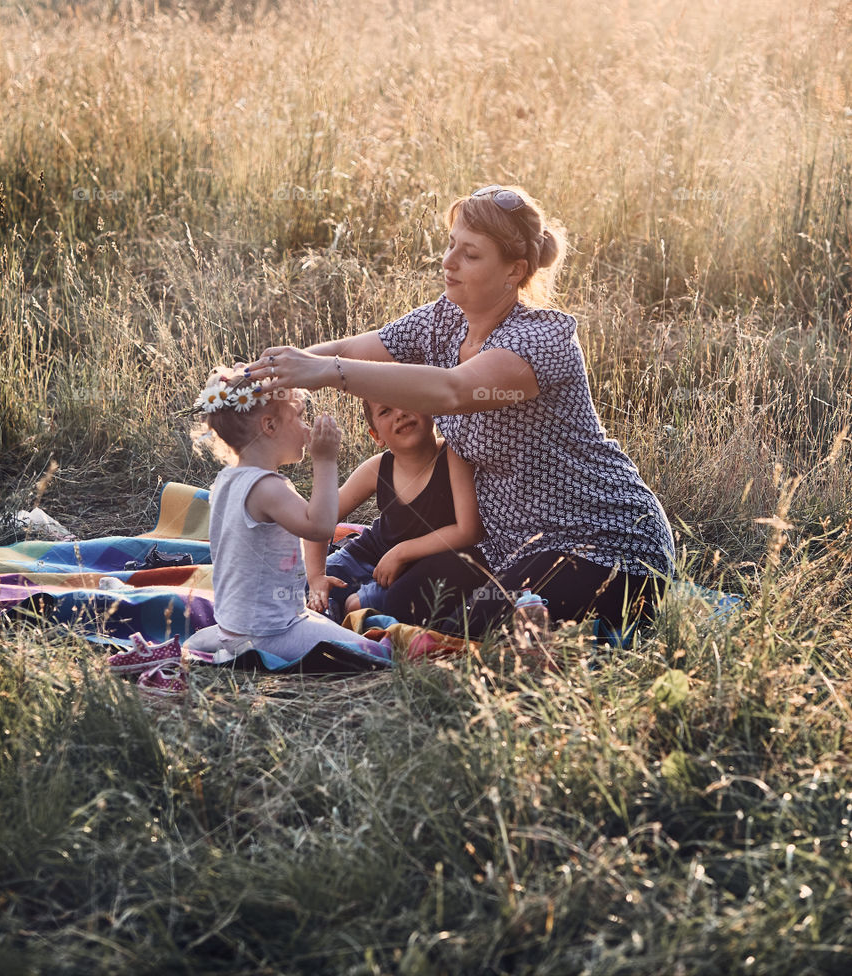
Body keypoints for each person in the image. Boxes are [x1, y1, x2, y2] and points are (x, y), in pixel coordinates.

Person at [240, 185, 676, 635]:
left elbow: (451, 391)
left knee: (474, 625)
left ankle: (541, 631)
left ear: (514, 271)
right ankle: (525, 620)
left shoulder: (542, 341)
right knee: (406, 601)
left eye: (470, 254)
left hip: (601, 542)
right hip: (501, 545)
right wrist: (264, 377)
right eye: (451, 245)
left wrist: (323, 370)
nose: (448, 262)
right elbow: (355, 348)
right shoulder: (443, 319)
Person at [183, 367, 390, 663]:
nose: (307, 429)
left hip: (234, 626)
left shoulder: (228, 479)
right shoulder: (268, 487)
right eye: (300, 417)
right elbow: (319, 527)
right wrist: (326, 460)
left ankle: (224, 645)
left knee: (324, 627)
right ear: (269, 426)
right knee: (375, 653)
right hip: (273, 631)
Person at [304, 398, 484, 619]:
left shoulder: (452, 455)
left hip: (414, 570)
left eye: (406, 397)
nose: (400, 413)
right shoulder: (377, 468)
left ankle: (344, 619)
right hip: (365, 555)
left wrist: (401, 553)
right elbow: (319, 521)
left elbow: (469, 530)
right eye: (386, 411)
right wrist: (315, 577)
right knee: (298, 585)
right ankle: (325, 617)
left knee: (358, 606)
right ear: (376, 435)